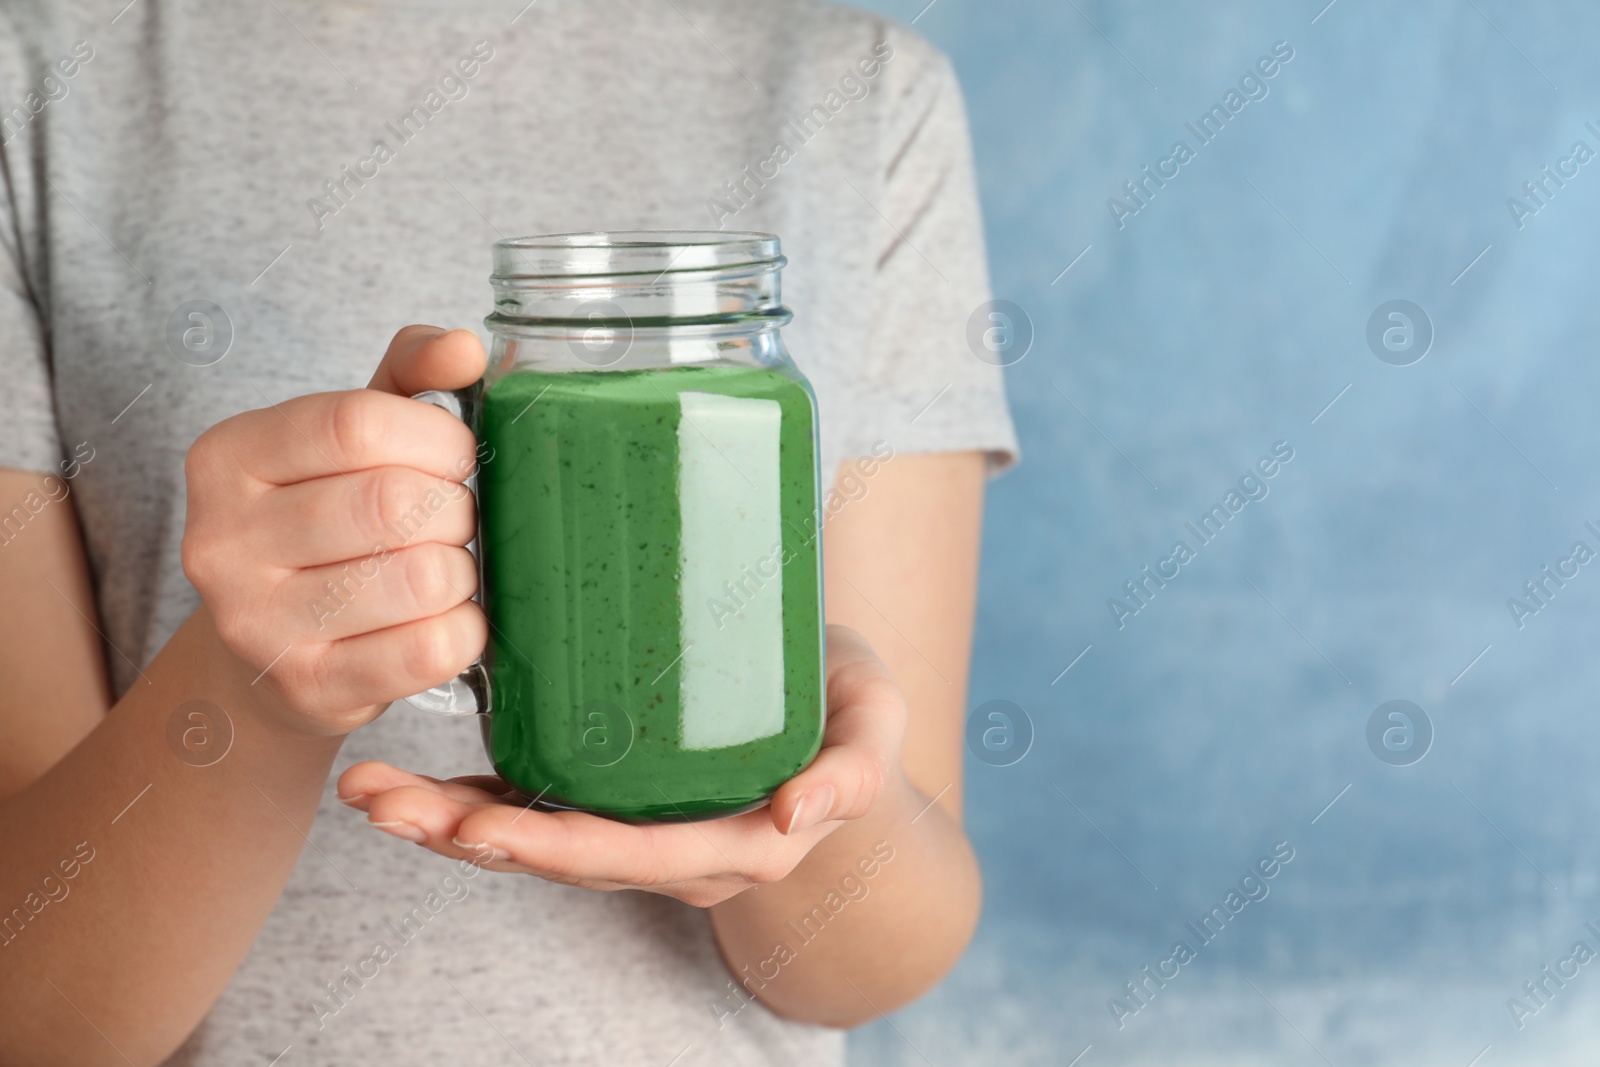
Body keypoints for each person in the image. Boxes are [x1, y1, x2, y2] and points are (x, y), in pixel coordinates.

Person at [0, 0, 1017, 1062]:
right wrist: (252, 691)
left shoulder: (863, 92)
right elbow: (26, 1016)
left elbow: (877, 961)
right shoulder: (35, 84)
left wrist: (803, 799)